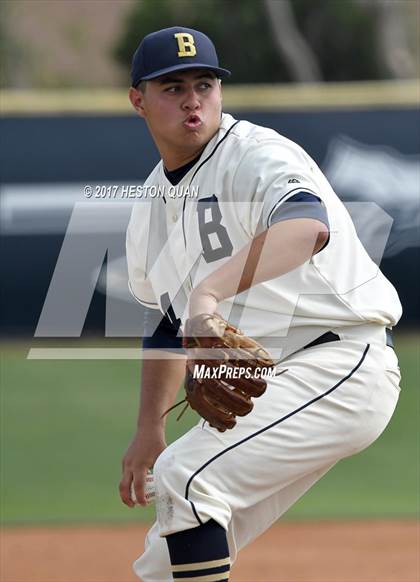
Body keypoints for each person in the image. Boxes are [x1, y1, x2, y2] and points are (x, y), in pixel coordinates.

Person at [120, 26, 402, 582]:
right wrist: (149, 426)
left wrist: (209, 291)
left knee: (188, 478)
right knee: (167, 550)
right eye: (172, 87)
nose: (193, 100)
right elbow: (166, 320)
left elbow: (306, 224)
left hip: (342, 363)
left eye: (205, 84)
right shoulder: (154, 200)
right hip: (285, 377)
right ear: (139, 100)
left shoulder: (254, 154)